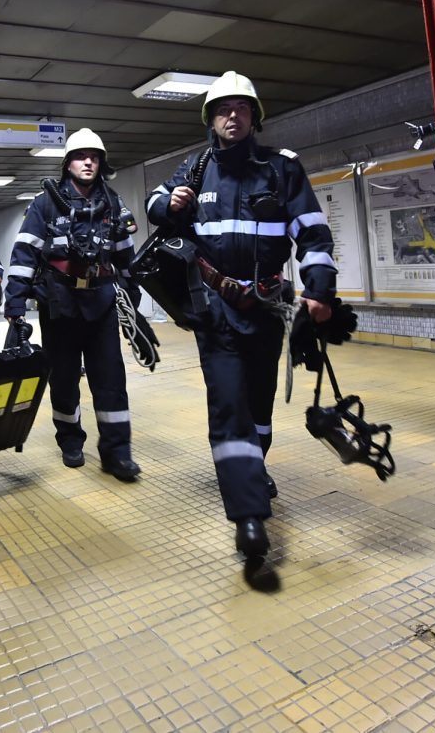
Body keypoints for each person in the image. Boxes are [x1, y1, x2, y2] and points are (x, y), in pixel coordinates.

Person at [145, 71, 336, 566]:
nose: (233, 116)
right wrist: (169, 202)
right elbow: (153, 207)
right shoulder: (197, 167)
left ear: (255, 117)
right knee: (229, 405)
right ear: (211, 118)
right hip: (216, 312)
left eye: (242, 108)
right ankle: (249, 516)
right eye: (223, 109)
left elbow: (313, 234)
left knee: (260, 405)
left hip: (268, 310)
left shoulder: (281, 169)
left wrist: (321, 291)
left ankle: (253, 467)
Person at [4, 128, 141, 481]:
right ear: (68, 163)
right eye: (81, 156)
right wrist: (15, 301)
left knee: (111, 380)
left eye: (94, 157)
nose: (88, 162)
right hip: (60, 304)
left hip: (102, 303)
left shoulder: (112, 202)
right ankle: (70, 440)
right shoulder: (46, 203)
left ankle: (116, 453)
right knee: (64, 379)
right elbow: (24, 253)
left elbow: (126, 256)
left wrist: (133, 297)